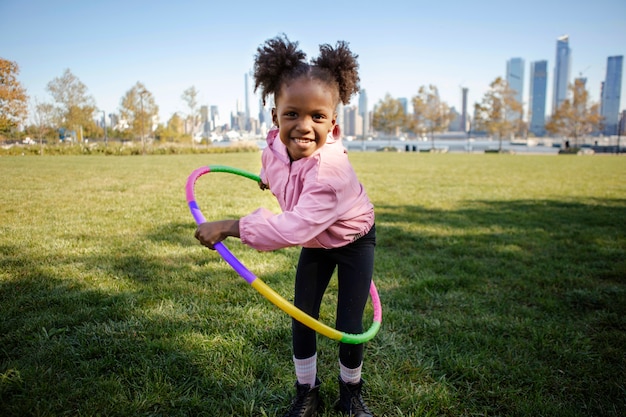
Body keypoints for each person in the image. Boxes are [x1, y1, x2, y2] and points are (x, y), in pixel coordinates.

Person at [195, 34, 376, 417]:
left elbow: (291, 228)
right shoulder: (276, 145)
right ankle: (306, 393)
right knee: (302, 314)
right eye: (292, 114)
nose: (304, 126)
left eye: (318, 117)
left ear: (333, 122)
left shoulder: (332, 172)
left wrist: (229, 226)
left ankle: (350, 394)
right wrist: (269, 178)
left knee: (348, 323)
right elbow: (274, 162)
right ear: (275, 116)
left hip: (353, 241)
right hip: (316, 240)